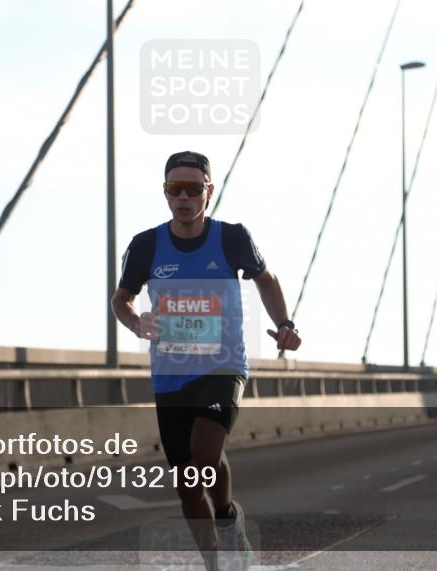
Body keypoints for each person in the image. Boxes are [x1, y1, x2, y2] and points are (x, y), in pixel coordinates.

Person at [110, 151, 302, 571]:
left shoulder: (231, 238)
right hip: (171, 376)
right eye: (174, 189)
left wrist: (285, 323)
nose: (183, 197)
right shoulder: (145, 246)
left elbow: (266, 280)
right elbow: (120, 300)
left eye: (192, 189)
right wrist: (136, 321)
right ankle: (214, 559)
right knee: (188, 485)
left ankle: (229, 521)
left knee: (204, 455)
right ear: (165, 193)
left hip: (224, 366)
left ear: (208, 193)